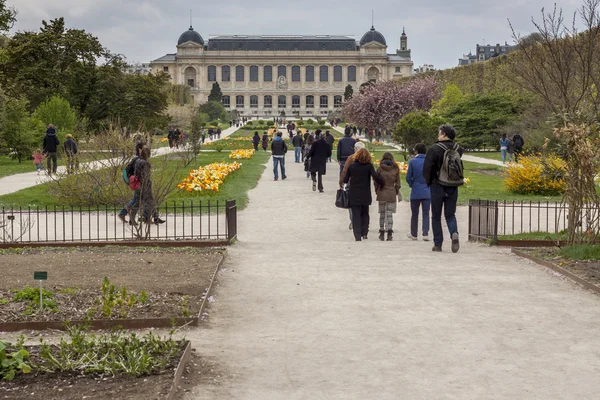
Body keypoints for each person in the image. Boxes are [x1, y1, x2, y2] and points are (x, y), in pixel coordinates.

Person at [423, 125, 463, 253]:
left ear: (444, 134)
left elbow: (427, 168)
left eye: (440, 133)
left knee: (436, 215)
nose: (438, 135)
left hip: (437, 184)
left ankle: (438, 243)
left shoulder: (434, 149)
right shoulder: (458, 148)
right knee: (450, 214)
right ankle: (453, 233)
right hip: (453, 184)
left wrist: (428, 182)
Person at [343, 148, 384, 241]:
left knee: (356, 214)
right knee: (365, 213)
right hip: (365, 193)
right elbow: (375, 176)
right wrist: (382, 182)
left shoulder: (352, 166)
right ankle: (364, 233)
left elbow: (345, 179)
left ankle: (357, 235)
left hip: (354, 193)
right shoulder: (369, 166)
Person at [129, 146, 165, 225]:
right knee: (147, 202)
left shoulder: (138, 161)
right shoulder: (146, 163)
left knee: (145, 201)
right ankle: (145, 218)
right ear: (148, 154)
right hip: (145, 185)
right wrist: (146, 186)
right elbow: (145, 176)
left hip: (138, 184)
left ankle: (155, 217)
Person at [406, 144, 430, 241]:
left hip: (416, 190)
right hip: (427, 190)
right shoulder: (429, 162)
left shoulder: (412, 162)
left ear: (416, 151)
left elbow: (408, 177)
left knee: (414, 213)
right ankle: (425, 233)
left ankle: (414, 233)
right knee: (426, 213)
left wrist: (412, 184)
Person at [375, 152, 401, 241]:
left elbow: (376, 181)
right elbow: (398, 183)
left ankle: (381, 232)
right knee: (389, 213)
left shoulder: (380, 169)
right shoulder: (395, 168)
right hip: (391, 191)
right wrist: (396, 191)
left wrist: (376, 190)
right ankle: (389, 233)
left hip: (381, 191)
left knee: (382, 213)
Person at [339, 141, 365, 230]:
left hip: (352, 184)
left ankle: (353, 219)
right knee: (362, 203)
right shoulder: (367, 159)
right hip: (363, 185)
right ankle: (360, 219)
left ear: (355, 149)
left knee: (352, 203)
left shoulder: (351, 158)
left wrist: (341, 182)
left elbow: (345, 170)